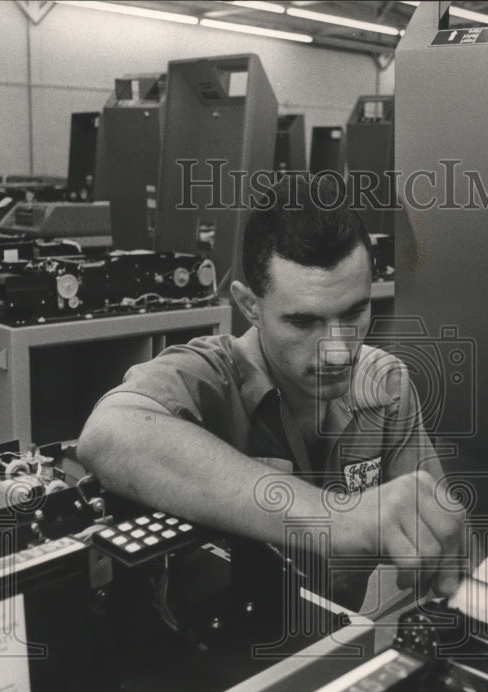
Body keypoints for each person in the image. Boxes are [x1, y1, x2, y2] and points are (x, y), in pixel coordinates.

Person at [77, 175, 465, 611]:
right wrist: (333, 518)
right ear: (249, 307)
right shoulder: (210, 376)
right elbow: (107, 434)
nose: (338, 351)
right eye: (304, 322)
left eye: (355, 311)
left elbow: (440, 539)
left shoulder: (386, 384)